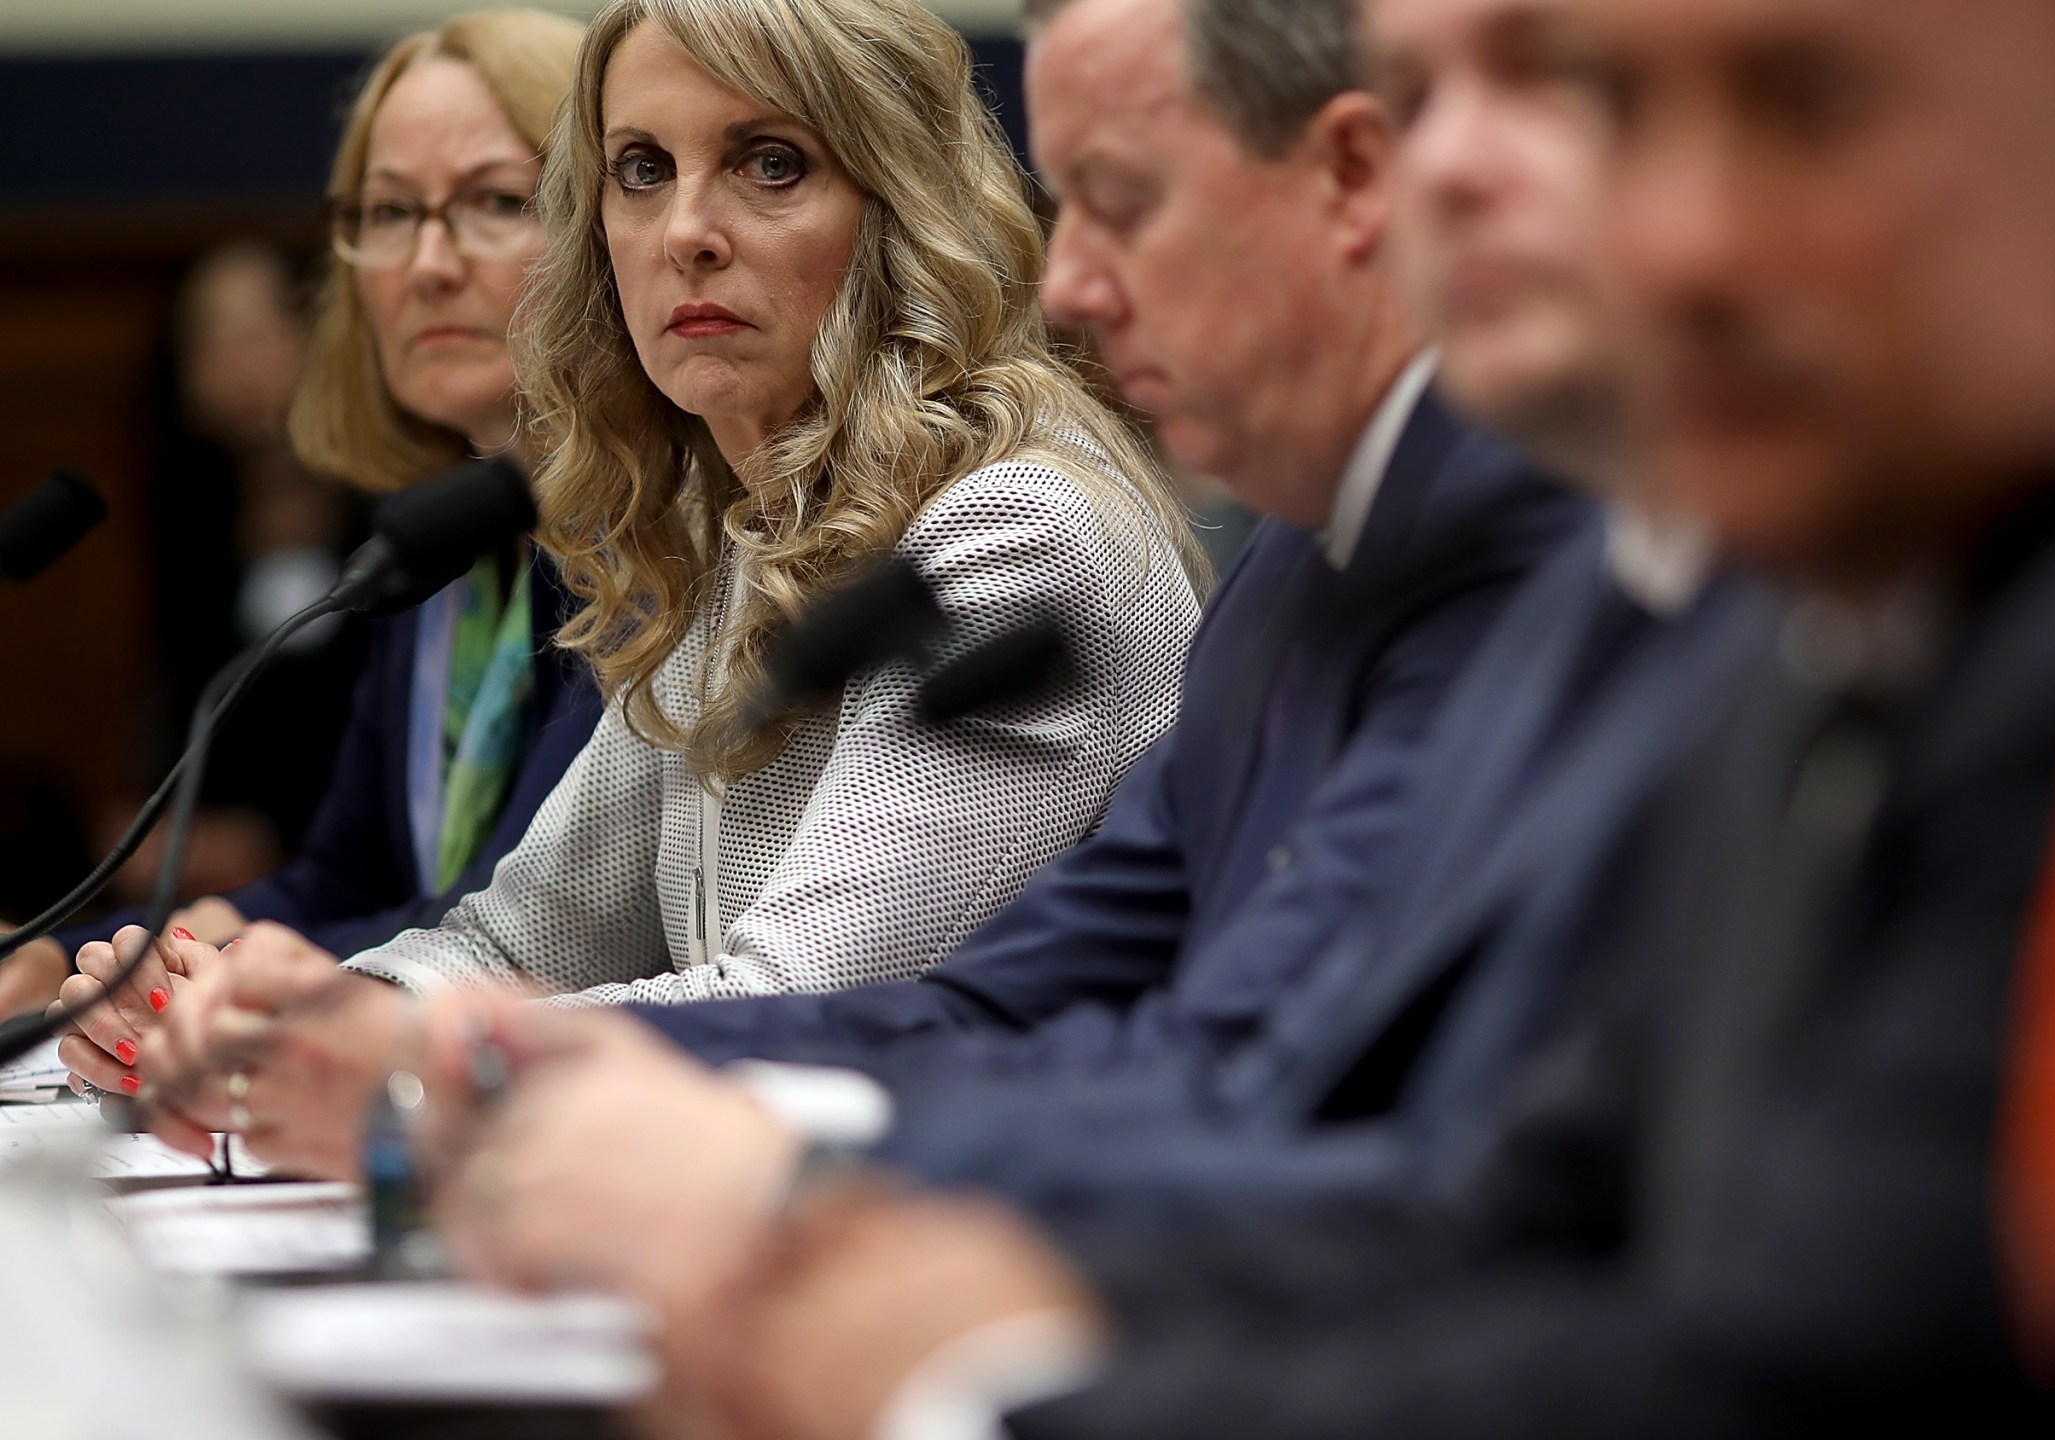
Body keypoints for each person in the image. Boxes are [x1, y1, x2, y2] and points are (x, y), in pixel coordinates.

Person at [619, 0, 2055, 1435]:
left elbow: (1800, 1365)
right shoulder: (1607, 589)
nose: (1678, 239)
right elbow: (1516, 1206)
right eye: (1623, 105)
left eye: (1807, 98)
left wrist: (977, 1366)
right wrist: (934, 1303)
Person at [426, 0, 1766, 1317]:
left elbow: (1288, 1097)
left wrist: (796, 1189)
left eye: (1121, 199)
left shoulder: (1487, 538)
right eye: (639, 175)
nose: (1067, 282)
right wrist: (468, 1046)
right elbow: (1025, 1010)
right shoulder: (1297, 566)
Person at [121, 0, 1205, 1178]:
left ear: (900, 205)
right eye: (641, 170)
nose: (685, 228)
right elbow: (519, 932)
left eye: (770, 164)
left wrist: (394, 1047)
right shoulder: (750, 525)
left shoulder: (1011, 527)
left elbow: (801, 1001)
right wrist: (259, 1021)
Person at [10, 12, 604, 1039]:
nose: (426, 264)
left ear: (610, 225)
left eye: (497, 202)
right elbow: (346, 873)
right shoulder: (440, 556)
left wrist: (226, 962)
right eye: (386, 212)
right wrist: (71, 957)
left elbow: (522, 928)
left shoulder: (645, 551)